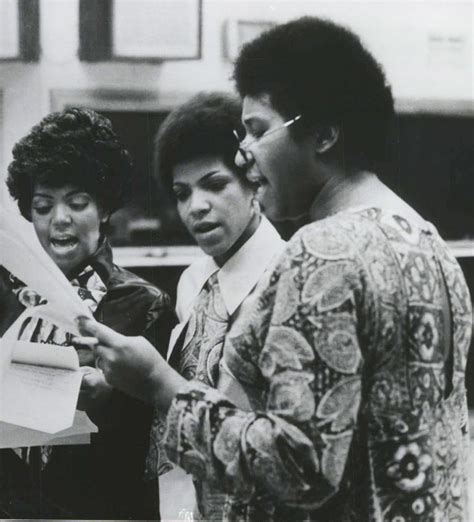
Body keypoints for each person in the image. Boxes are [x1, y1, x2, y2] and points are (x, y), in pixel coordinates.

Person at [77, 17, 472, 522]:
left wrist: (158, 384)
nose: (245, 152)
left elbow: (296, 466)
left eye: (259, 130)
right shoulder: (426, 239)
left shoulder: (321, 253)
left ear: (324, 133)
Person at [0, 107, 175, 520]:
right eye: (43, 206)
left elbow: (162, 437)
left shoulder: (144, 304)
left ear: (105, 208)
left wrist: (114, 395)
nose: (60, 219)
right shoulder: (8, 297)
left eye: (77, 202)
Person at [152, 91, 285, 520]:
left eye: (214, 184)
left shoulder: (289, 280)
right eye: (181, 192)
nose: (197, 207)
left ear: (254, 182)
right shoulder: (192, 281)